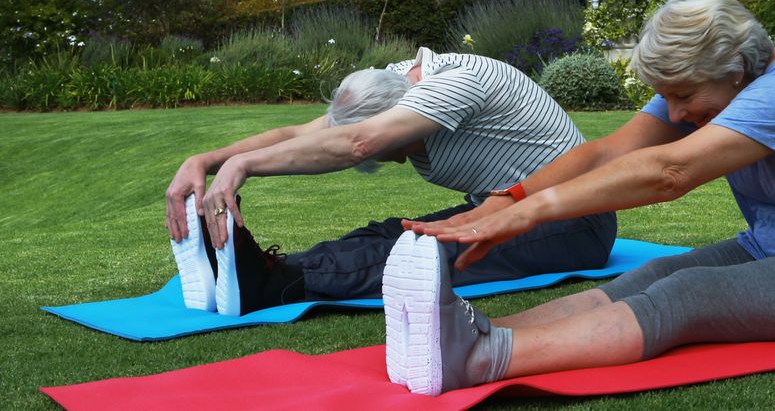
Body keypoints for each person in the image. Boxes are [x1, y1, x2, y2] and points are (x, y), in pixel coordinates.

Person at [384, 0, 775, 396]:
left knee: (687, 295)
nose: (675, 113)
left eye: (682, 96)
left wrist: (535, 214)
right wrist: (508, 200)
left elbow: (670, 172)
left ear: (737, 65)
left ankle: (480, 360)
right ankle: (468, 333)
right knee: (651, 275)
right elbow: (608, 151)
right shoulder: (711, 80)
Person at [165, 47, 617, 316]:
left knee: (414, 254)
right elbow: (302, 134)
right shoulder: (391, 82)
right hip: (508, 208)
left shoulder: (456, 83)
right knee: (388, 232)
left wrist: (242, 169)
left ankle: (276, 286)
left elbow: (359, 143)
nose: (398, 160)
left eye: (393, 149)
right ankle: (254, 272)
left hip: (575, 221)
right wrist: (206, 160)